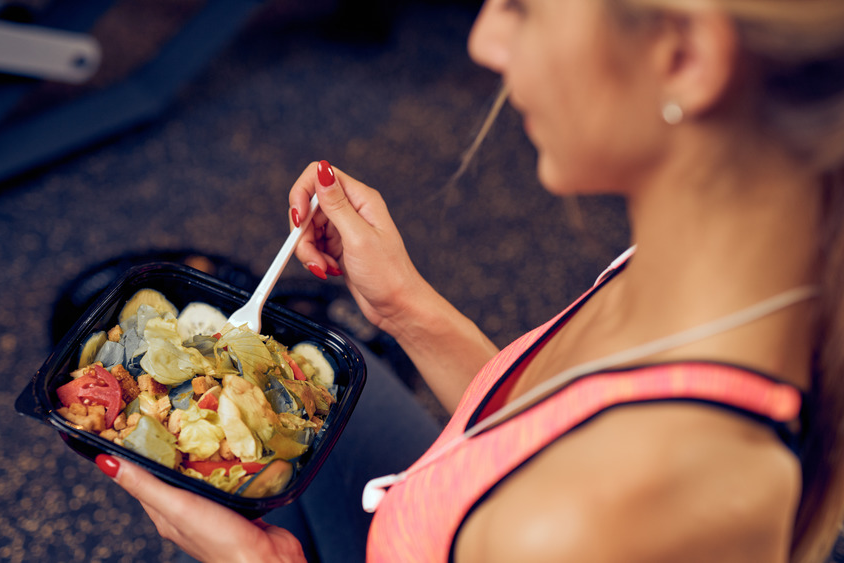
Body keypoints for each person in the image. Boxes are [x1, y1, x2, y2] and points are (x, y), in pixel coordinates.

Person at [93, 0, 844, 561]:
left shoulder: (590, 523)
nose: (483, 41)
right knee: (322, 394)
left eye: (521, 6)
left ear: (684, 58)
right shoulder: (722, 265)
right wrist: (408, 308)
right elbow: (540, 427)